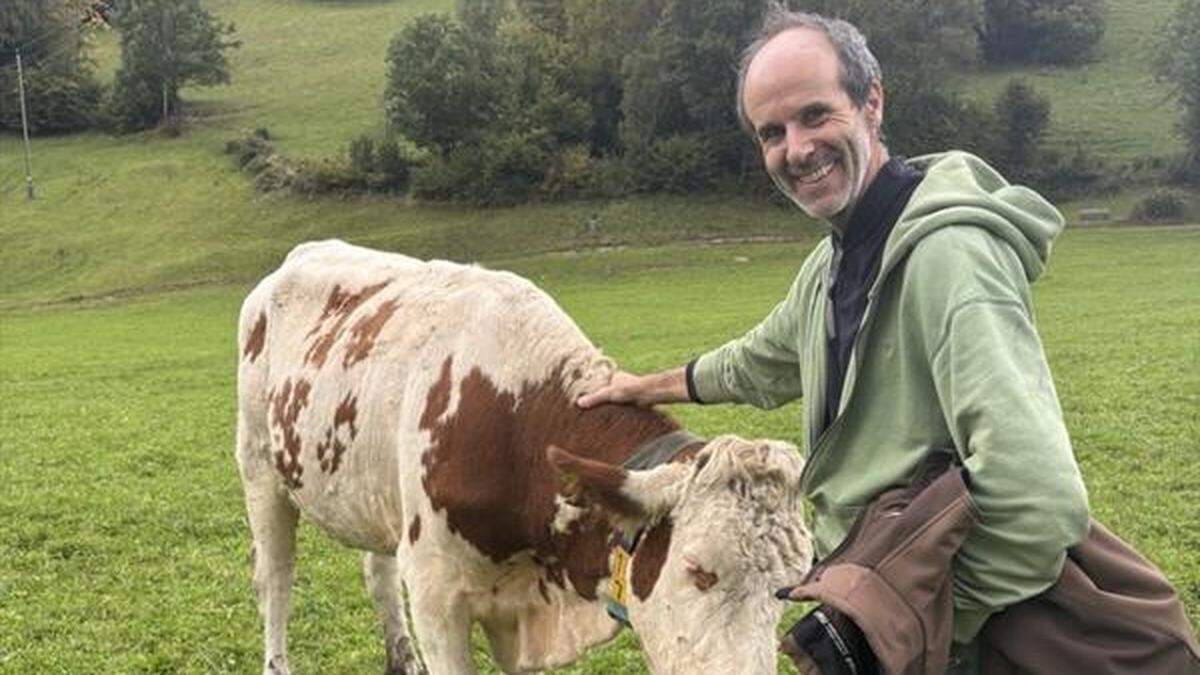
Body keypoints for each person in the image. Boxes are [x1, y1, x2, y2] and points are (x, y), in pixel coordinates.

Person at [576, 9, 1091, 673]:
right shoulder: (830, 266)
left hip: (965, 634)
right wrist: (640, 386)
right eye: (772, 132)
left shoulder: (950, 259)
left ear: (871, 101)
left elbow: (1038, 500)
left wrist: (892, 627)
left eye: (816, 115)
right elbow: (758, 360)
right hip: (884, 591)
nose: (796, 149)